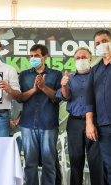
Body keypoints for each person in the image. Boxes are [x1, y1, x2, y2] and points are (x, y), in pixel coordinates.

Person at [56, 47, 104, 185]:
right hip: (75, 123)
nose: (81, 60)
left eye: (84, 57)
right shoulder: (68, 78)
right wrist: (64, 85)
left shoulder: (98, 76)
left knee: (96, 161)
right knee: (76, 160)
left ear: (90, 59)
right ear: (74, 61)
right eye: (77, 58)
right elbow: (65, 96)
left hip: (94, 122)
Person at [18, 44, 62, 185]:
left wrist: (43, 87)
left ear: (45, 57)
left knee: (49, 163)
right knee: (30, 164)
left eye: (36, 56)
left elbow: (57, 97)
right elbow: (20, 98)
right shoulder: (24, 75)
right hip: (28, 125)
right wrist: (33, 89)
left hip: (48, 124)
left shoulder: (56, 74)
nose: (33, 58)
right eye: (31, 56)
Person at [86, 30, 111, 185]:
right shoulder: (95, 70)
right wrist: (89, 123)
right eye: (98, 43)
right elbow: (89, 99)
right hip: (103, 125)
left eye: (105, 41)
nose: (102, 45)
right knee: (109, 166)